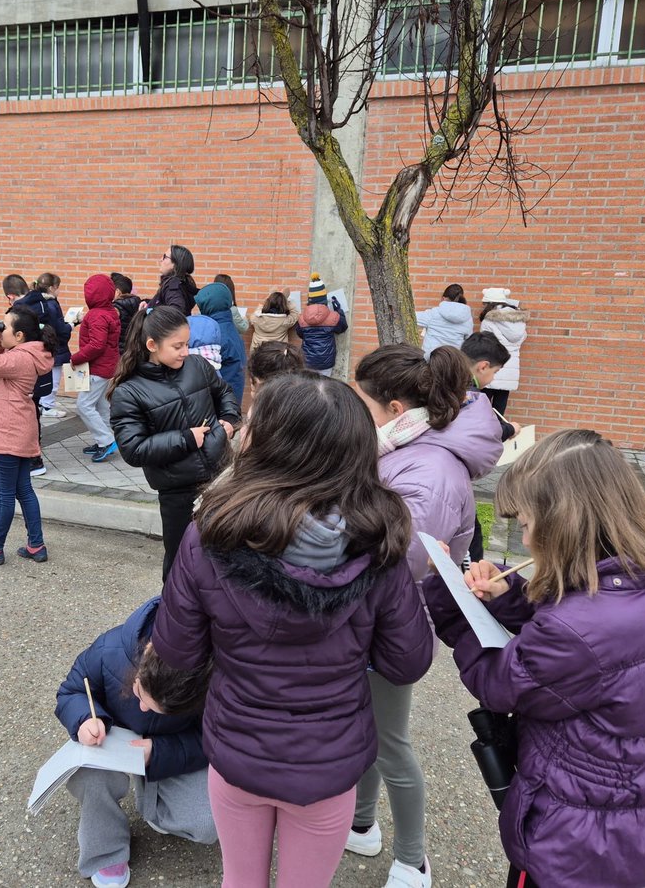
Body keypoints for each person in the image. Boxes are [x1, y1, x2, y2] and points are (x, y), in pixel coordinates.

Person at [151, 372, 435, 888]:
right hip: (329, 761)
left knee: (240, 880)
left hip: (238, 748)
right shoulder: (381, 542)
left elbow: (177, 651)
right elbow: (407, 661)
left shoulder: (209, 531)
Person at [426, 429, 645, 888]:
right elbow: (595, 639)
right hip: (638, 813)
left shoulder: (575, 631)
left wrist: (448, 598)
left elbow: (501, 682)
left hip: (572, 831)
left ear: (562, 522)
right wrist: (509, 596)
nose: (522, 539)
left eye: (523, 525)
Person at [348, 344, 503, 888]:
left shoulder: (429, 468)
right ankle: (362, 824)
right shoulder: (406, 446)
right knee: (361, 730)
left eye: (360, 403)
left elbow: (399, 558)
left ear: (393, 408)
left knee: (389, 742)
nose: (354, 413)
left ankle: (413, 858)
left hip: (391, 623)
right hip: (368, 619)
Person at [56, 597, 217, 888]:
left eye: (157, 708)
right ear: (143, 659)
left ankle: (154, 804)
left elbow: (213, 739)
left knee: (208, 823)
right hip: (110, 737)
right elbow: (72, 690)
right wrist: (85, 721)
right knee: (91, 776)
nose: (143, 708)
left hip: (169, 744)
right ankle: (106, 852)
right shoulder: (111, 649)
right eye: (141, 695)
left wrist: (159, 753)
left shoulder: (216, 680)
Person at [109, 306, 240, 581]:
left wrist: (229, 419)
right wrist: (185, 439)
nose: (185, 352)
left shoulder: (197, 366)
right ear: (152, 345)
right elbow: (133, 449)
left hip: (220, 477)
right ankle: (173, 614)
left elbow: (223, 391)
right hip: (178, 492)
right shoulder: (129, 392)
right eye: (178, 346)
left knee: (224, 554)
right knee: (182, 560)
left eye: (187, 344)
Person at [0, 306, 54, 565]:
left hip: (6, 433)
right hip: (19, 430)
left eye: (5, 327)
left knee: (5, 496)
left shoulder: (19, 359)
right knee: (24, 490)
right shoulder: (25, 354)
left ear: (20, 336)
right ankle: (36, 544)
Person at [461, 331, 519, 563]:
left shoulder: (445, 380)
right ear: (483, 366)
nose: (493, 379)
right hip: (453, 477)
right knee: (470, 537)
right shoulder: (470, 397)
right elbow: (483, 436)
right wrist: (509, 430)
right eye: (495, 372)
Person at [71, 274, 121, 463]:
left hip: (97, 369)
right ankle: (110, 439)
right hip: (107, 367)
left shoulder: (97, 315)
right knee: (101, 405)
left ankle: (106, 441)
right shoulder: (109, 312)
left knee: (84, 405)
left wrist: (76, 357)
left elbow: (97, 345)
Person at [17, 272, 74, 419]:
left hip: (40, 346)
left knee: (44, 377)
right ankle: (47, 406)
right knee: (54, 379)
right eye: (58, 287)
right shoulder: (51, 304)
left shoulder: (36, 302)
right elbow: (59, 328)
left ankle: (43, 403)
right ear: (52, 287)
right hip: (55, 346)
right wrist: (71, 326)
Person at [195, 281, 247, 406]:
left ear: (208, 306)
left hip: (222, 404)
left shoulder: (215, 334)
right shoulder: (228, 327)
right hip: (231, 399)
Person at [479, 288, 530, 415]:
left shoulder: (488, 321)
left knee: (481, 409)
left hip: (492, 368)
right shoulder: (519, 321)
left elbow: (484, 345)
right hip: (509, 370)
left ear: (491, 303)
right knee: (500, 410)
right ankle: (499, 434)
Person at [295, 273, 347, 376]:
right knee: (324, 388)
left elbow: (300, 334)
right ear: (324, 298)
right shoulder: (333, 317)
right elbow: (343, 328)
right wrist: (338, 310)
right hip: (326, 362)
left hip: (307, 360)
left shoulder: (301, 318)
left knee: (309, 388)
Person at [416, 283, 473, 359]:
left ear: (443, 298)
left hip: (432, 359)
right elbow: (468, 339)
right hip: (453, 360)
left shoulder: (434, 313)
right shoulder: (467, 318)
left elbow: (412, 317)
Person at [149, 245, 198, 315]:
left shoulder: (172, 286)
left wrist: (151, 313)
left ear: (175, 264)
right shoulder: (182, 283)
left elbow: (176, 311)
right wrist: (149, 304)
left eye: (165, 257)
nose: (161, 259)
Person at [111, 272, 142, 351]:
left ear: (117, 292)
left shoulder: (115, 308)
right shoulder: (138, 303)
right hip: (133, 350)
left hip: (118, 351)